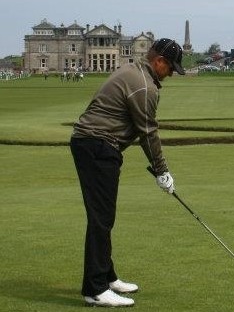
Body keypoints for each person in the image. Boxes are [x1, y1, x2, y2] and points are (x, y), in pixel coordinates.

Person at [70, 38, 185, 307]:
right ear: (159, 62)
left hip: (94, 144)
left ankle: (107, 277)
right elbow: (148, 132)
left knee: (104, 216)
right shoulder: (144, 86)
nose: (171, 74)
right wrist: (162, 171)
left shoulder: (132, 70)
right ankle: (95, 289)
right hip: (97, 146)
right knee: (101, 218)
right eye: (170, 68)